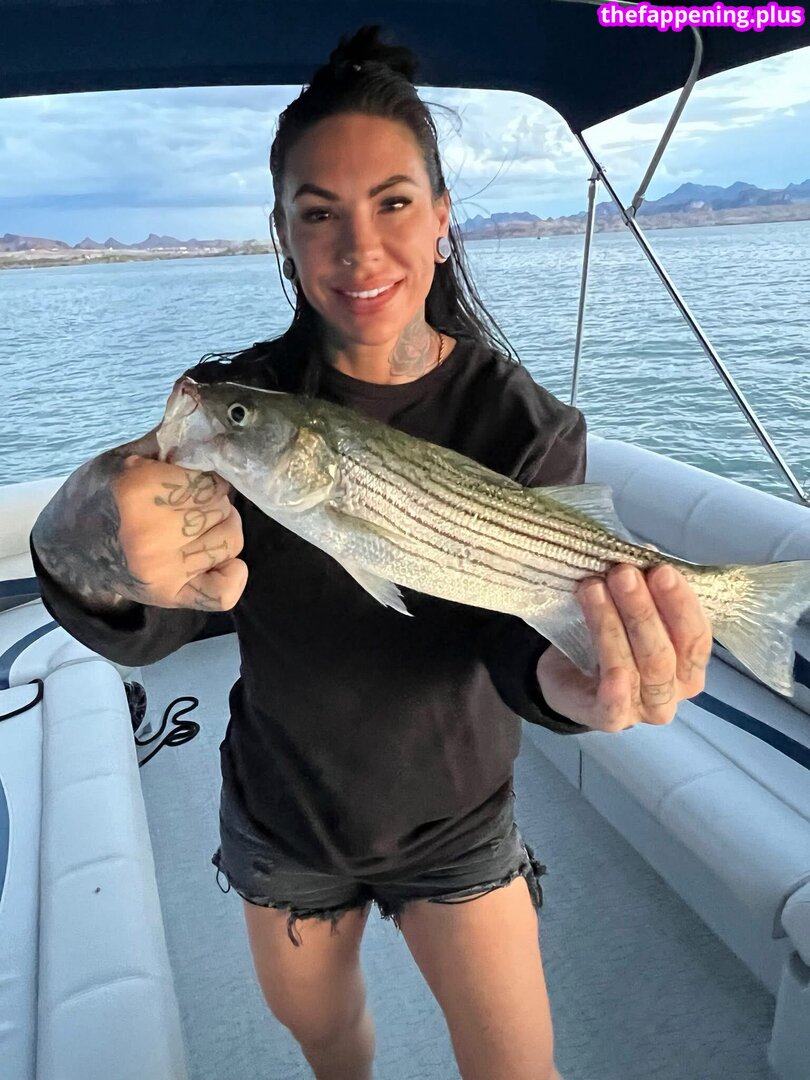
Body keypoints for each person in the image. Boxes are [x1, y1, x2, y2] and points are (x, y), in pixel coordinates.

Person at [29, 25, 713, 1080]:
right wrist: (94, 541)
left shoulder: (525, 422)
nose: (358, 249)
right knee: (330, 1047)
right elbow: (150, 617)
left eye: (393, 202)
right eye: (318, 213)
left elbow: (515, 638)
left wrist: (573, 688)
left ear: (441, 219)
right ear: (284, 235)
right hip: (283, 815)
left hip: (456, 812)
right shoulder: (240, 411)